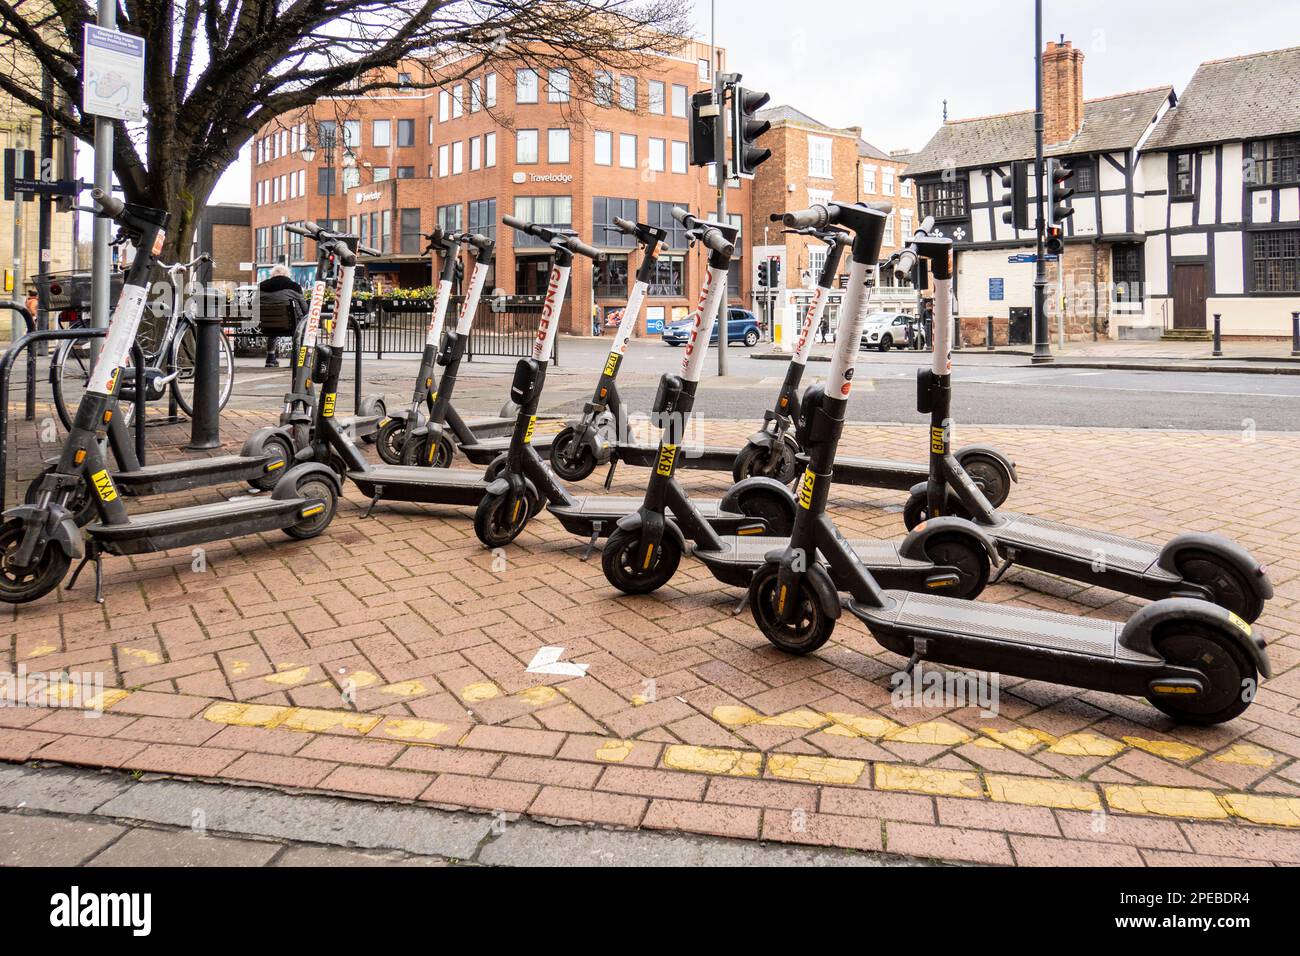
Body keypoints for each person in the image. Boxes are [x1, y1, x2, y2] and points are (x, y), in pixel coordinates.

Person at [258, 264, 307, 367]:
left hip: (266, 325)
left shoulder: (261, 286)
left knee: (273, 327)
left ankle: (270, 358)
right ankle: (295, 360)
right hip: (290, 325)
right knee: (301, 329)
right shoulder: (294, 286)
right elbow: (304, 307)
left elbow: (253, 305)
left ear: (272, 275)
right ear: (286, 275)